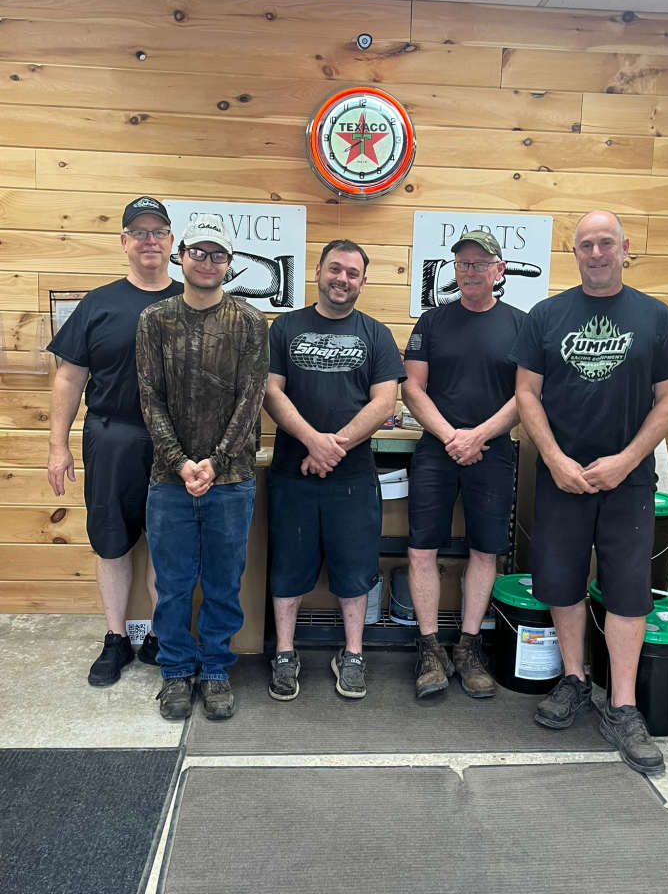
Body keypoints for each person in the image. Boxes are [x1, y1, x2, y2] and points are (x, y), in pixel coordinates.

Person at [511, 209, 668, 775]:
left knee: (628, 594)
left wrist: (626, 460)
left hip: (629, 482)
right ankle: (573, 680)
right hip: (562, 477)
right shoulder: (545, 316)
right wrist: (555, 460)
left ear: (625, 247)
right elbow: (526, 394)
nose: (596, 253)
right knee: (562, 584)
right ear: (575, 253)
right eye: (586, 244)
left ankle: (623, 707)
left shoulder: (658, 318)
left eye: (606, 243)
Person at [136, 214, 268, 721]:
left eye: (217, 255)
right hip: (169, 480)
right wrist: (181, 462)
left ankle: (214, 669)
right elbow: (150, 397)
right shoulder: (154, 320)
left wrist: (215, 461)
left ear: (229, 263)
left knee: (222, 584)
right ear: (181, 255)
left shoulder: (250, 322)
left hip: (230, 481)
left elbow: (250, 400)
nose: (207, 262)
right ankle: (174, 672)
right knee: (172, 586)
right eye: (198, 252)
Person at [47, 196, 183, 687]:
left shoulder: (192, 301)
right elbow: (69, 377)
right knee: (111, 542)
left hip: (176, 446)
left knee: (167, 546)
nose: (150, 240)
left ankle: (163, 637)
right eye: (139, 232)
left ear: (172, 242)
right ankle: (116, 638)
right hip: (111, 437)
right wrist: (57, 446)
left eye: (158, 231)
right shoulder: (98, 304)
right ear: (124, 241)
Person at [264, 240, 404, 702]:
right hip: (292, 473)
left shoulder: (376, 334)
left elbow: (385, 403)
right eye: (335, 269)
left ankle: (354, 654)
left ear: (363, 281)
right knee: (287, 566)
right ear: (319, 272)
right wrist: (312, 441)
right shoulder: (284, 328)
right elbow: (271, 392)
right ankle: (285, 652)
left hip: (353, 477)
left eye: (352, 273)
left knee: (355, 569)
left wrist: (332, 447)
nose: (343, 279)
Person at [402, 230, 525, 699]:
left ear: (499, 270)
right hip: (437, 450)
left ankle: (468, 647)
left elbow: (526, 395)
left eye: (480, 263)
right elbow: (412, 388)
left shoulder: (521, 325)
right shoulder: (432, 322)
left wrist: (478, 435)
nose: (470, 271)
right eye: (463, 264)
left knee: (485, 551)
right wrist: (452, 436)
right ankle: (430, 648)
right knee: (421, 549)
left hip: (493, 451)